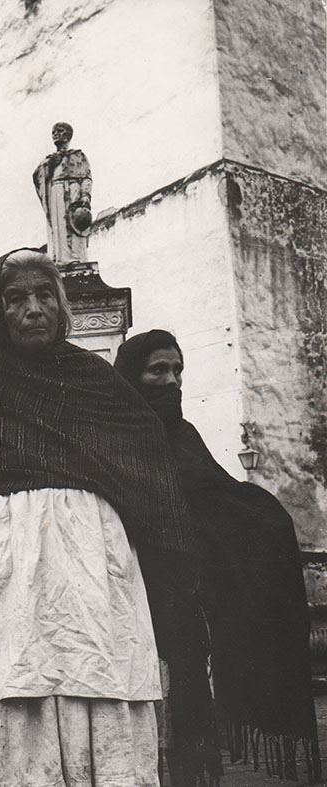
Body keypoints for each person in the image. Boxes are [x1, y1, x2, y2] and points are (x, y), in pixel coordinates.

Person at [0, 249, 202, 787]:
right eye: (15, 298)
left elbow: (150, 460)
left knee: (101, 677)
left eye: (44, 295)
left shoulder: (96, 380)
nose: (33, 309)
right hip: (10, 576)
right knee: (21, 686)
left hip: (95, 571)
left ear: (61, 307)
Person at [115, 329, 322, 784]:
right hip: (130, 602)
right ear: (130, 376)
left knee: (188, 725)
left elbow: (215, 500)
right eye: (158, 370)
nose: (172, 381)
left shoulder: (183, 435)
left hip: (186, 609)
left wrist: (264, 517)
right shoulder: (115, 437)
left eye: (178, 370)